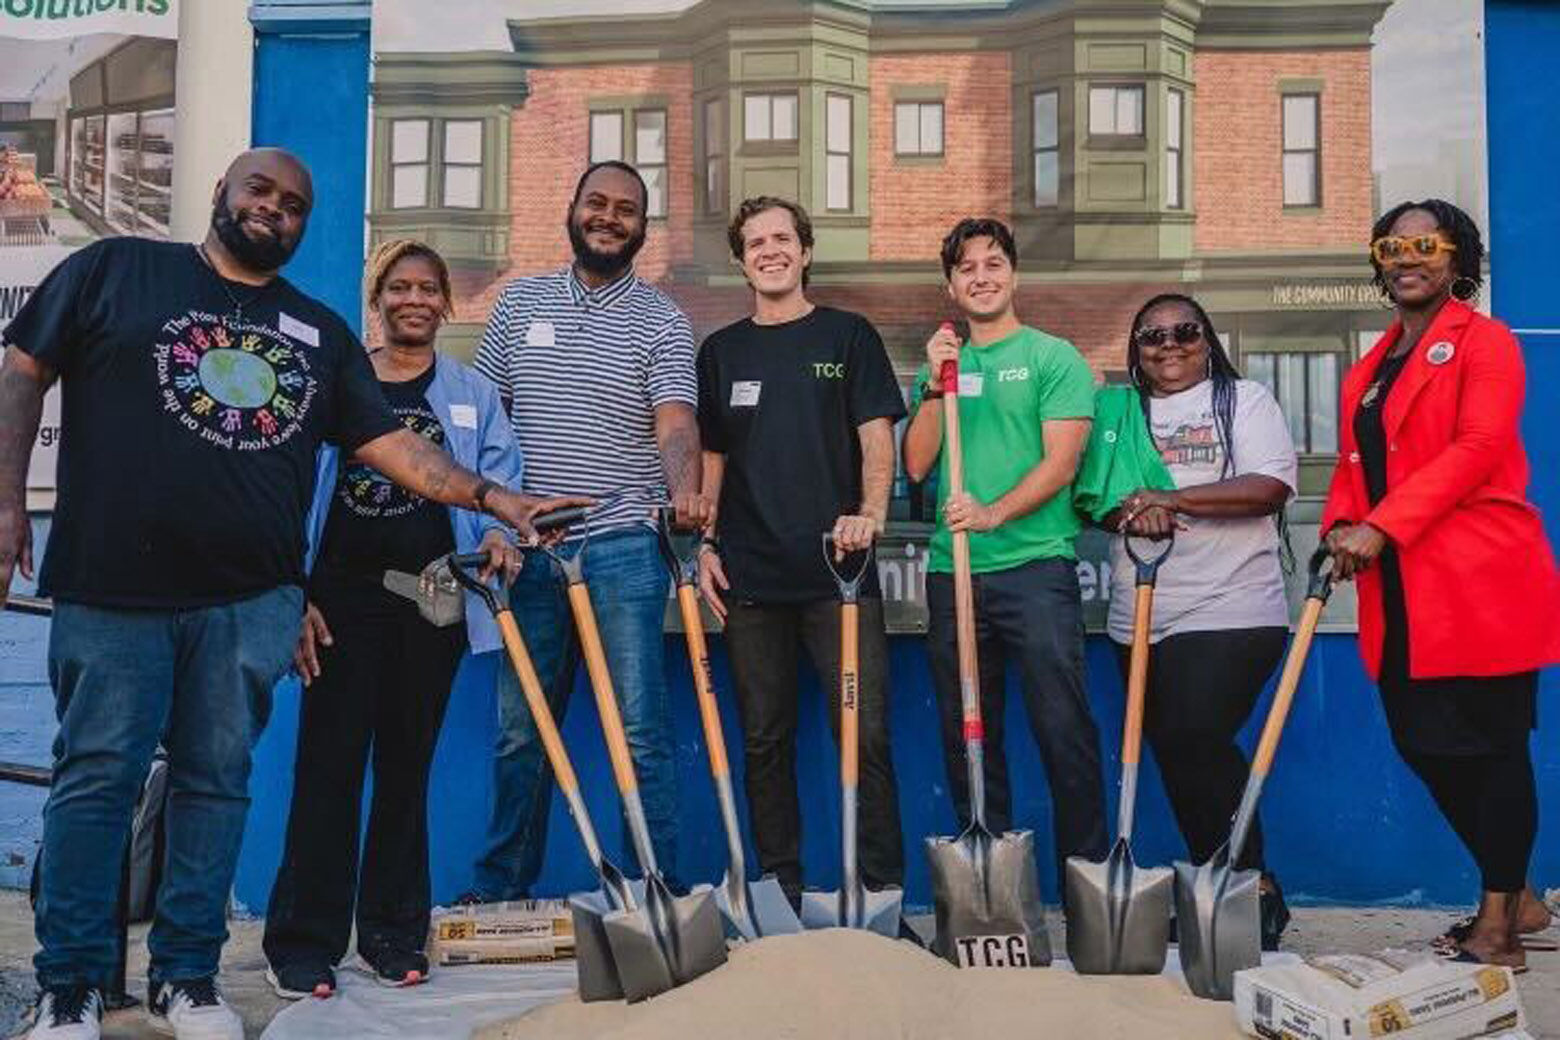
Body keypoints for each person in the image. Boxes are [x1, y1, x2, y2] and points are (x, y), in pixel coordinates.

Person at [0, 149, 580, 1040]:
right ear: (219, 194)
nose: (275, 210)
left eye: (295, 204)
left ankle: (187, 978)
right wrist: (5, 495)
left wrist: (497, 498)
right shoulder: (117, 268)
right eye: (259, 192)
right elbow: (23, 370)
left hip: (248, 603)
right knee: (96, 781)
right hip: (115, 588)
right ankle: (71, 983)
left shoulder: (316, 332)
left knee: (216, 785)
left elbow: (394, 448)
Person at [261, 240, 526, 998]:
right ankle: (304, 944)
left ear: (447, 303)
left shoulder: (472, 393)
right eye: (398, 287)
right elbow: (286, 494)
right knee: (328, 771)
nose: (413, 300)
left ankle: (391, 932)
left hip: (432, 602)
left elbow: (502, 480)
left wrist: (503, 535)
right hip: (340, 604)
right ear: (376, 300)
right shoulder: (339, 389)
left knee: (406, 770)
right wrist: (295, 592)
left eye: (428, 289)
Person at [1322, 199, 1560, 968]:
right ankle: (1518, 892)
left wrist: (1381, 528)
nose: (1407, 257)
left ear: (1458, 258)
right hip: (1403, 594)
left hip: (1480, 578)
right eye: (1392, 245)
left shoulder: (1485, 344)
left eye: (1426, 243)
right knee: (1423, 742)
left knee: (1490, 748)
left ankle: (1499, 925)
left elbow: (1479, 447)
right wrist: (1338, 524)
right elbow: (1357, 467)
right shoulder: (1371, 365)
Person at [466, 160, 707, 901]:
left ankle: (659, 889)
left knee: (638, 729)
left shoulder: (662, 318)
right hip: (529, 552)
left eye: (626, 209)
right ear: (571, 211)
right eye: (596, 203)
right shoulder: (517, 305)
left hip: (624, 546)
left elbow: (674, 419)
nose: (608, 216)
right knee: (520, 734)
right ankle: (504, 888)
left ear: (643, 226)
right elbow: (486, 416)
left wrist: (687, 494)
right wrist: (494, 517)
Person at [695, 196, 905, 906]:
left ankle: (879, 892)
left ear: (806, 251)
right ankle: (779, 891)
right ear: (740, 260)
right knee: (763, 740)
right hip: (751, 578)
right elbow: (713, 460)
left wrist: (869, 515)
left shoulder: (849, 336)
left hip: (839, 574)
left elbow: (878, 437)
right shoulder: (722, 352)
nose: (770, 250)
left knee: (866, 736)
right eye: (755, 242)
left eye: (782, 238)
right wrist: (706, 546)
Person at [901, 216, 1108, 884]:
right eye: (967, 269)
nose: (981, 277)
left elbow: (1062, 464)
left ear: (1013, 273)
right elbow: (915, 463)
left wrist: (991, 513)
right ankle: (990, 886)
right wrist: (936, 385)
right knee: (970, 736)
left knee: (1062, 728)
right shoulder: (942, 366)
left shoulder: (1054, 358)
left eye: (993, 263)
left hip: (1036, 568)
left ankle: (1088, 881)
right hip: (953, 573)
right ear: (950, 285)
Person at [1107, 293, 1298, 949]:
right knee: (1178, 753)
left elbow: (1267, 488)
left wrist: (1171, 496)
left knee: (1196, 731)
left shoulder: (1244, 401)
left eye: (1184, 331)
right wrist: (1133, 509)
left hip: (1234, 605)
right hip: (1142, 608)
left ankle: (1254, 889)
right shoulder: (1122, 412)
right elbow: (1098, 499)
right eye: (1151, 336)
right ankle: (1217, 893)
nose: (1168, 345)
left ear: (1207, 337)